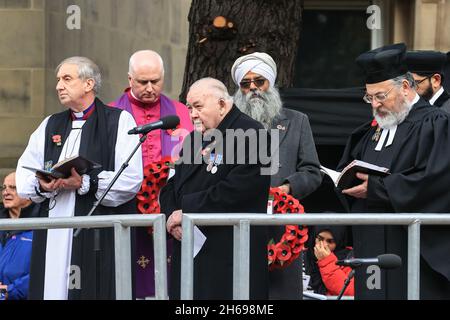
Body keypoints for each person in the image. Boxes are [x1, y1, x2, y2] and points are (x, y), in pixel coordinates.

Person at [16, 56, 143, 300]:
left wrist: (85, 183)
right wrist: (42, 185)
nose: (58, 86)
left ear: (88, 84)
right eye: (58, 80)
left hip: (95, 230)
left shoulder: (118, 121)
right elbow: (24, 173)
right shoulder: (50, 124)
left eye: (67, 79)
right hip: (53, 226)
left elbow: (130, 180)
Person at [338, 43, 450, 299]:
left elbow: (438, 181)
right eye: (369, 97)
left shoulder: (435, 123)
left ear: (406, 87)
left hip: (411, 249)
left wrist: (378, 188)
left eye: (381, 96)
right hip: (371, 238)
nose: (375, 105)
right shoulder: (373, 131)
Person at [160, 77, 270, 299]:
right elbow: (172, 184)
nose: (191, 114)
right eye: (190, 108)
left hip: (228, 250)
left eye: (198, 107)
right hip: (190, 247)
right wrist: (171, 217)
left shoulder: (254, 133)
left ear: (221, 104)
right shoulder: (193, 139)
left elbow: (240, 188)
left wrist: (187, 211)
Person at [231, 52, 322, 299]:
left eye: (259, 81)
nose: (253, 88)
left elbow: (313, 172)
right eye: (245, 83)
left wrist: (287, 189)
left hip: (282, 228)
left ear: (270, 82)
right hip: (237, 223)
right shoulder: (227, 124)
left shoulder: (297, 121)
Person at [110, 50, 192, 299]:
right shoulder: (112, 113)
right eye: (142, 81)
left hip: (172, 208)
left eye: (155, 81)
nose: (149, 88)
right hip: (127, 208)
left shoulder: (180, 112)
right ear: (129, 79)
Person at [0, 172, 39, 300]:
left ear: (29, 193)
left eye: (13, 188)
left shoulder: (42, 224)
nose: (6, 192)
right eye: (4, 187)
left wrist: (9, 291)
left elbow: (46, 270)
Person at [304, 226, 353, 297]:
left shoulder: (349, 260)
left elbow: (348, 292)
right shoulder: (302, 256)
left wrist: (326, 261)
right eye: (320, 239)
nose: (323, 245)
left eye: (330, 241)